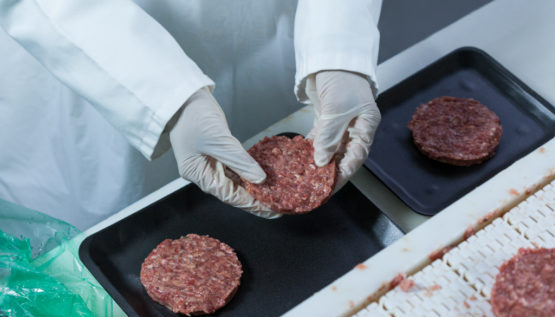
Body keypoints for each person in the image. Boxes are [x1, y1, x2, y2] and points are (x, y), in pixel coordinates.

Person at [0, 0, 382, 228]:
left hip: (256, 35)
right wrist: (168, 99)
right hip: (95, 62)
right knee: (115, 260)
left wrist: (338, 44)